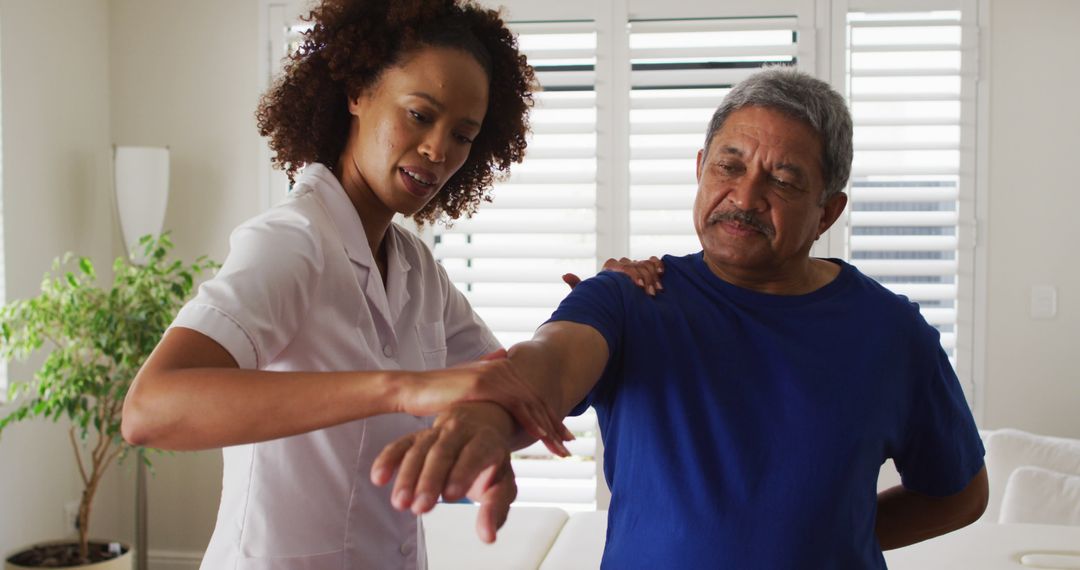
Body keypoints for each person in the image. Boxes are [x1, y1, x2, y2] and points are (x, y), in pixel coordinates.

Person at [373, 66, 990, 568]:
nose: (745, 198)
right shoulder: (630, 296)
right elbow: (551, 360)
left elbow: (960, 493)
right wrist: (485, 415)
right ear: (700, 169)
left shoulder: (892, 333)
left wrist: (832, 539)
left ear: (828, 212)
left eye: (783, 180)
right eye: (730, 165)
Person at [120, 1, 659, 567]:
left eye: (464, 134)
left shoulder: (413, 267)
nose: (438, 150)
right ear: (358, 93)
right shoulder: (293, 241)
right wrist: (400, 387)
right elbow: (150, 410)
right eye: (420, 115)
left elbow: (505, 386)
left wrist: (598, 301)